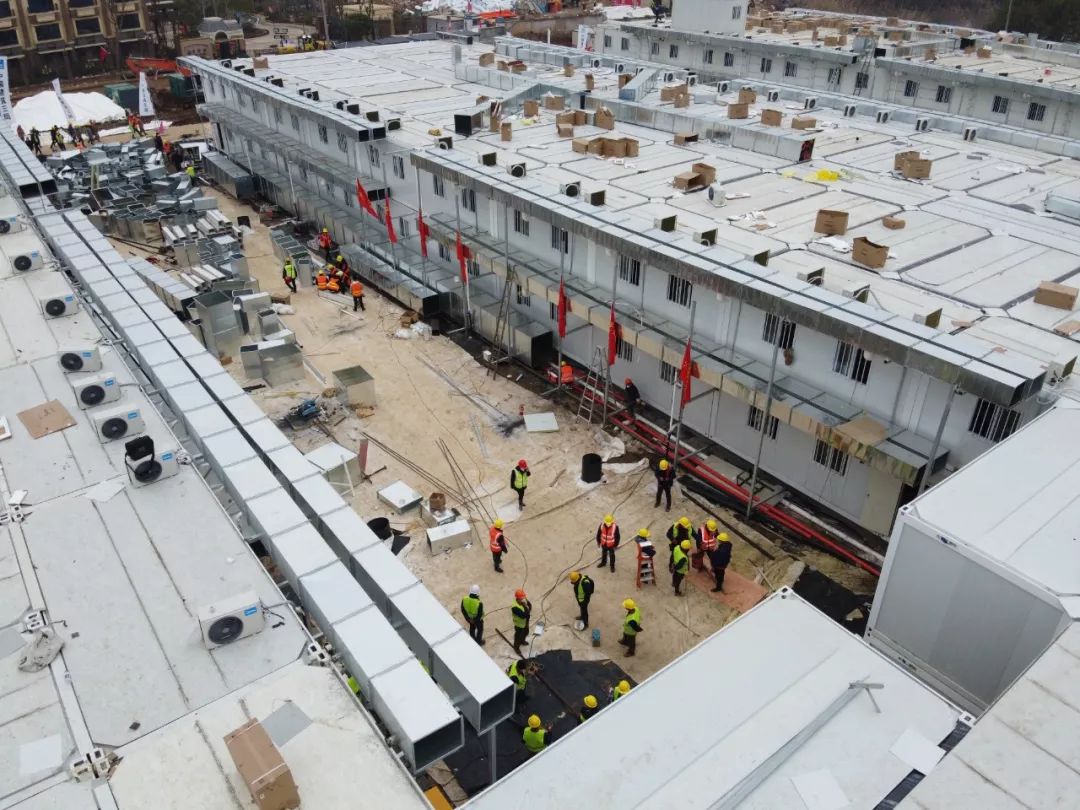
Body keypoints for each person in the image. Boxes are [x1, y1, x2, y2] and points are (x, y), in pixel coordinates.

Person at [511, 589, 531, 655]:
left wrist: (528, 605)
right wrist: (526, 607)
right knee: (518, 636)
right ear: (518, 598)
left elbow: (529, 609)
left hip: (525, 623)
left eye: (523, 598)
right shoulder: (515, 607)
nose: (523, 599)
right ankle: (516, 647)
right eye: (522, 598)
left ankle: (522, 641)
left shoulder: (522, 603)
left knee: (526, 632)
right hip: (519, 625)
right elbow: (523, 615)